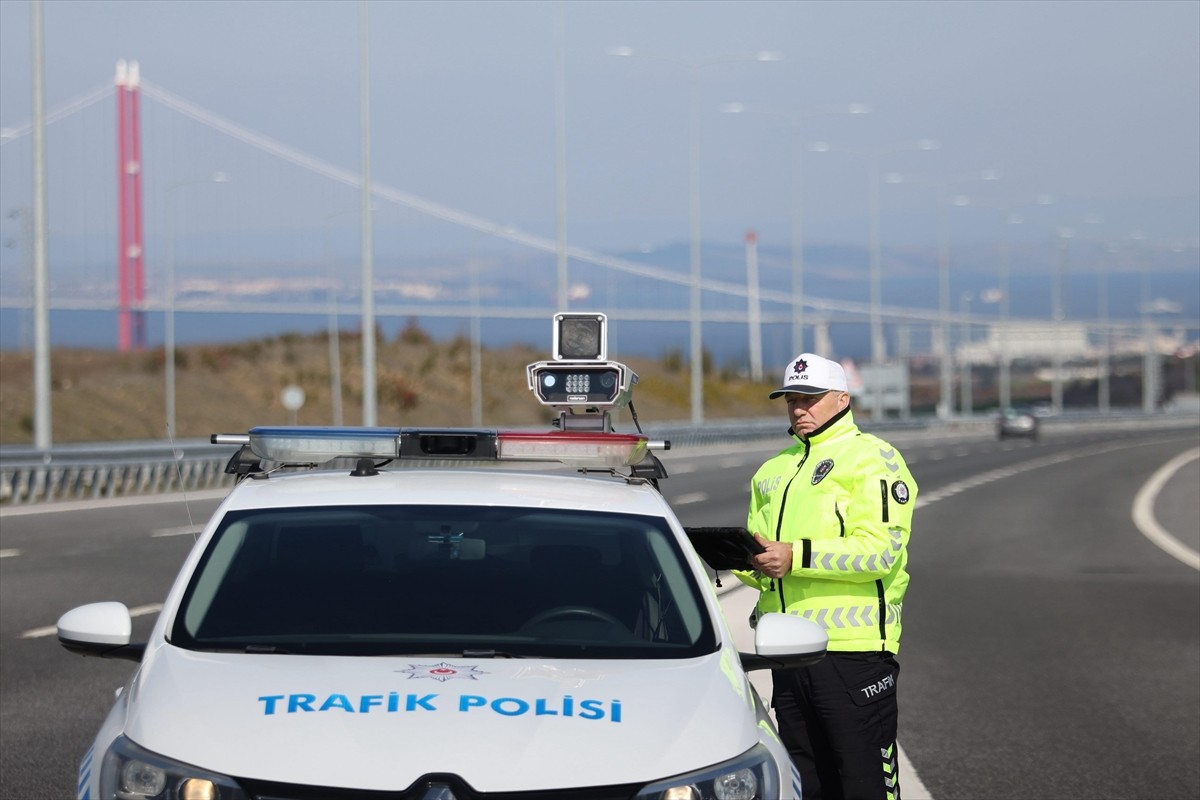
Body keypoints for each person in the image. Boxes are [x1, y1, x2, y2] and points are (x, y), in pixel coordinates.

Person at [739, 352, 917, 800]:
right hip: (787, 655)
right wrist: (743, 561)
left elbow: (880, 552)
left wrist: (795, 556)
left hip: (851, 654)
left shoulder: (873, 460)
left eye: (811, 398)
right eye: (791, 399)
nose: (799, 408)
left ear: (842, 399)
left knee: (864, 786)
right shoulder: (772, 471)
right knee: (807, 786)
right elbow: (766, 568)